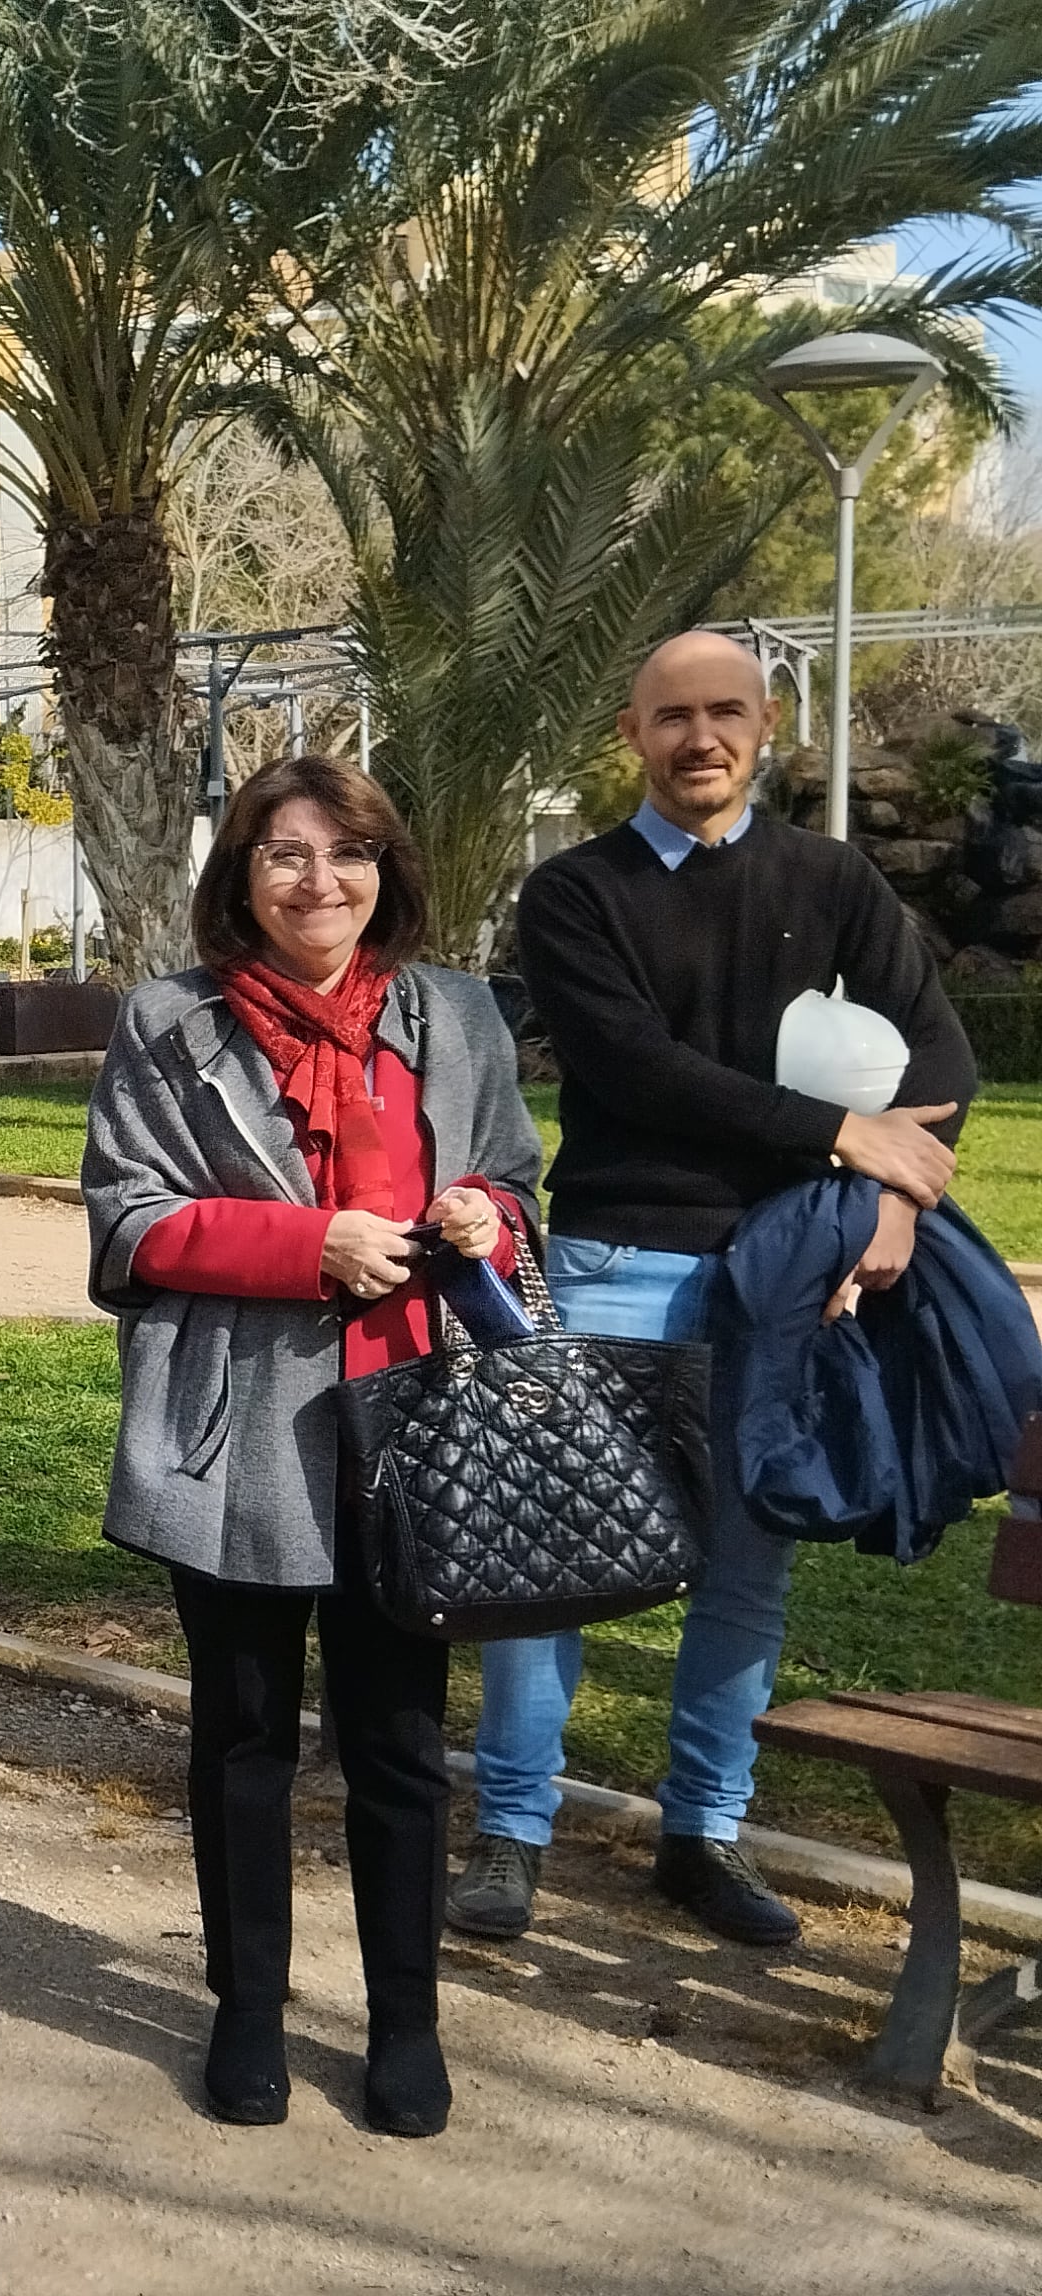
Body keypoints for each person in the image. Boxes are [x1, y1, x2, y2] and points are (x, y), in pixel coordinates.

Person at [455, 630, 977, 1950]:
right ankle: (511, 1832)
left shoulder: (833, 878)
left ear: (765, 726)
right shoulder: (575, 892)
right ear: (631, 733)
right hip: (623, 1260)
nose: (702, 737)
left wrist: (901, 1200)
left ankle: (703, 1833)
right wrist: (843, 1136)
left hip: (791, 1276)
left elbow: (942, 1052)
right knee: (557, 1559)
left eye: (726, 712)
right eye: (674, 715)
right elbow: (633, 1068)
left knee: (747, 1573)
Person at [83, 757, 540, 2137]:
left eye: (347, 852)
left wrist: (480, 1216)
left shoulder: (454, 1015)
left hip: (413, 1429)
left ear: (388, 867)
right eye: (285, 853)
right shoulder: (169, 1023)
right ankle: (245, 2013)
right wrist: (306, 1245)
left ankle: (405, 2022)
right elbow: (127, 1222)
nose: (318, 881)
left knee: (401, 1742)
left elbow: (518, 1181)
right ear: (242, 875)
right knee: (243, 1742)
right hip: (240, 1433)